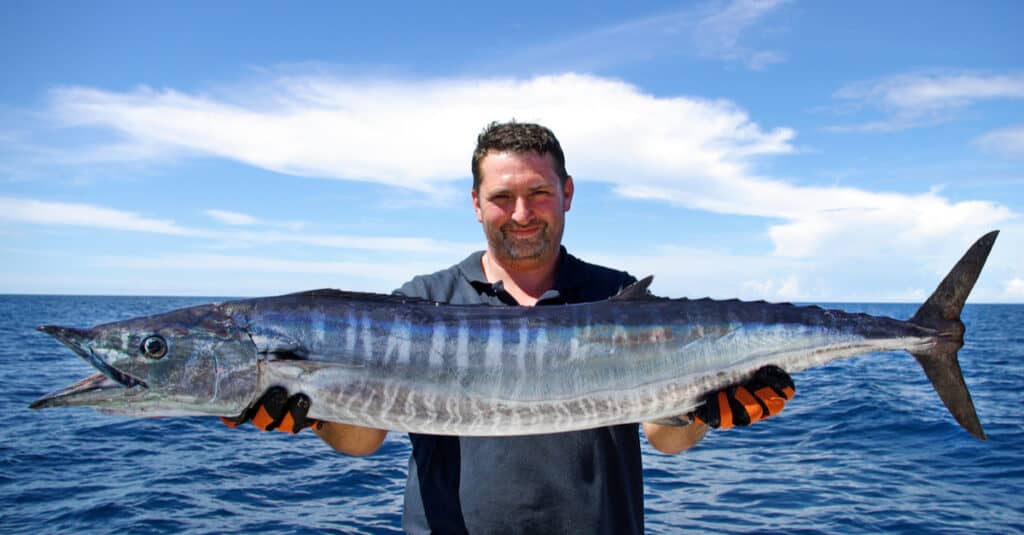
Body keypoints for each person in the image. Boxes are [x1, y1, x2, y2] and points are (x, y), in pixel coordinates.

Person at [229, 121, 795, 534]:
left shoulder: (617, 297)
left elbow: (666, 438)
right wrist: (311, 414)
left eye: (538, 193)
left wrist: (707, 413)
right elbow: (361, 441)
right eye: (502, 197)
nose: (522, 213)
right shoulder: (420, 302)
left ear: (566, 194)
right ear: (476, 204)